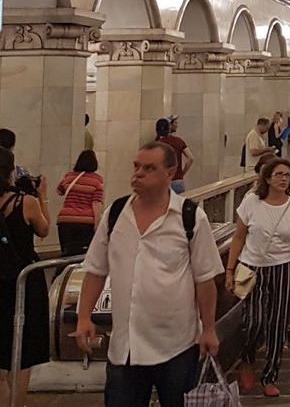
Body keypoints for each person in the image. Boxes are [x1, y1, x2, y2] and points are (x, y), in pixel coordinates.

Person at [76, 142, 222, 407]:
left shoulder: (189, 217)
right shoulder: (115, 214)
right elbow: (96, 270)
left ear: (170, 173)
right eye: (136, 166)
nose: (138, 174)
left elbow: (205, 279)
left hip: (176, 346)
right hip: (125, 348)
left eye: (149, 168)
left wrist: (209, 329)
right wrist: (84, 316)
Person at [226, 158, 290, 397]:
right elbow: (239, 237)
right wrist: (230, 269)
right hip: (253, 267)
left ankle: (270, 376)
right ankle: (247, 358)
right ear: (268, 178)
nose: (284, 179)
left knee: (277, 323)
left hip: (284, 267)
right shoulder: (251, 202)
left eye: (287, 175)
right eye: (279, 174)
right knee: (254, 320)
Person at [0, 146, 49, 407]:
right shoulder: (25, 202)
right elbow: (43, 230)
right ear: (10, 172)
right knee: (22, 350)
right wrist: (42, 196)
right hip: (24, 280)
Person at [56, 149, 104, 257]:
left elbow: (59, 191)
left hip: (65, 221)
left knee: (66, 254)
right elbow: (96, 203)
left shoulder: (69, 176)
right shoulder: (97, 180)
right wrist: (98, 225)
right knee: (82, 256)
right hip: (86, 222)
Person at [155, 117, 193, 194]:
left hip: (164, 181)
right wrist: (182, 173)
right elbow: (190, 158)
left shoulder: (159, 143)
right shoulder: (179, 141)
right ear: (169, 128)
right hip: (178, 181)